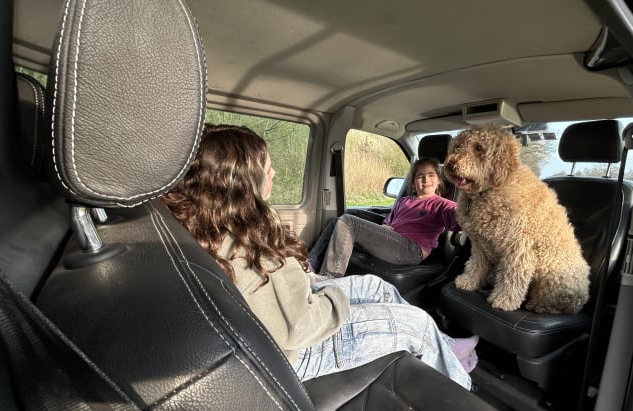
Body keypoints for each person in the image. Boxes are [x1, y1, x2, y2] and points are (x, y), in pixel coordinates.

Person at [162, 125, 478, 389]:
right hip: (294, 350)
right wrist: (334, 297)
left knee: (375, 287)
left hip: (294, 311)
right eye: (268, 167)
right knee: (418, 322)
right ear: (241, 180)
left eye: (430, 177)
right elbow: (300, 325)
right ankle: (463, 386)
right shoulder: (246, 243)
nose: (274, 172)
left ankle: (446, 348)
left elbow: (460, 218)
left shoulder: (213, 223)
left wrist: (313, 282)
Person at [315, 157, 459, 277]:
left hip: (412, 249)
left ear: (439, 180)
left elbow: (456, 219)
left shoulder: (442, 204)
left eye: (431, 175)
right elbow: (390, 221)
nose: (425, 179)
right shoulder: (404, 201)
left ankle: (329, 278)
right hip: (391, 240)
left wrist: (466, 212)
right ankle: (310, 263)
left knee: (348, 222)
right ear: (414, 184)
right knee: (336, 221)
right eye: (420, 176)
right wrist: (385, 226)